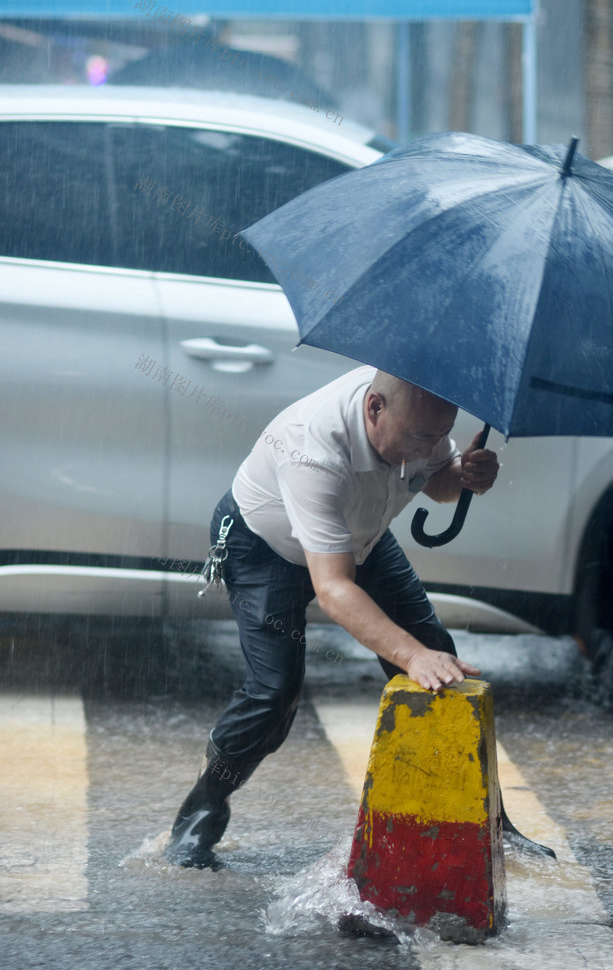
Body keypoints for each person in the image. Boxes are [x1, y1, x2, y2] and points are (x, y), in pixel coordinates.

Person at [165, 365, 499, 869]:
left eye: (438, 438)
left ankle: (483, 820)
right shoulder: (314, 451)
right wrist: (409, 655)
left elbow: (440, 486)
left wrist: (464, 475)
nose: (428, 447)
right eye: (420, 439)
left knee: (440, 659)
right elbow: (335, 591)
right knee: (275, 691)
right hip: (263, 546)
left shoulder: (417, 414)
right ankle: (199, 816)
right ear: (374, 410)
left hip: (355, 537)